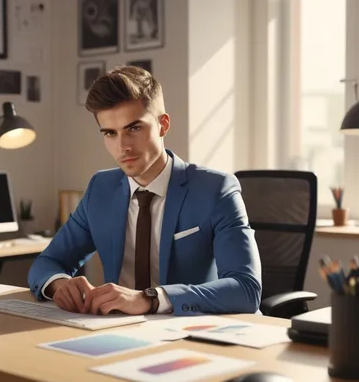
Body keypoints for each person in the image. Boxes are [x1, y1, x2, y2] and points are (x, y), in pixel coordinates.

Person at [28, 66, 262, 316]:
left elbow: (246, 289)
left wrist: (150, 299)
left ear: (163, 125)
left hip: (197, 332)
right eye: (110, 133)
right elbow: (47, 263)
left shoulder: (215, 189)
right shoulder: (101, 189)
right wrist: (60, 285)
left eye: (134, 128)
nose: (123, 147)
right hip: (118, 332)